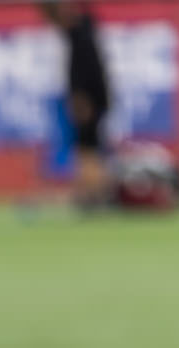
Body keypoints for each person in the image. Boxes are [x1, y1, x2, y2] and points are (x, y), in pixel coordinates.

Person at [44, 2, 114, 207]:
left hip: (89, 101)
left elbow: (83, 72)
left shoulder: (80, 36)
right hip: (93, 99)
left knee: (88, 148)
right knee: (88, 148)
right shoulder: (79, 32)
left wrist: (81, 97)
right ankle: (94, 193)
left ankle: (95, 195)